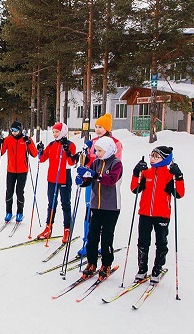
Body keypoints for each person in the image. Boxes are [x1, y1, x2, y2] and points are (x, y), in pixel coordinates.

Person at [130, 146, 184, 284]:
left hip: (162, 215)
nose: (152, 158)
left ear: (165, 159)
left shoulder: (168, 175)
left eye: (156, 156)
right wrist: (136, 172)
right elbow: (135, 189)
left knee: (161, 242)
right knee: (143, 242)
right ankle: (142, 269)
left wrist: (179, 176)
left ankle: (157, 269)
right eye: (151, 155)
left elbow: (179, 194)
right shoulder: (147, 173)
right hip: (145, 214)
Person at [76, 112, 124, 257]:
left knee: (104, 212)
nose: (97, 129)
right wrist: (84, 167)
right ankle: (88, 241)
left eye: (101, 127)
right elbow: (89, 162)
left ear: (107, 128)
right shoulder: (92, 142)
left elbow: (114, 164)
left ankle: (103, 244)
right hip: (93, 178)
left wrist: (96, 174)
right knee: (90, 208)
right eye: (96, 126)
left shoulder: (115, 143)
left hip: (106, 181)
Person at [74, 136, 122, 279]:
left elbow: (111, 180)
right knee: (92, 235)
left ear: (108, 150)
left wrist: (94, 175)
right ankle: (91, 262)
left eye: (100, 151)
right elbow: (89, 180)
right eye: (96, 150)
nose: (98, 153)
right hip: (96, 205)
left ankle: (106, 264)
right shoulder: (95, 163)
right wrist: (82, 180)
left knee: (106, 237)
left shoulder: (116, 164)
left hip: (111, 206)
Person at [35, 122, 77, 242]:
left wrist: (67, 151)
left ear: (63, 131)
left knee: (65, 204)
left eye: (57, 132)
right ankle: (48, 227)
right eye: (53, 132)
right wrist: (40, 150)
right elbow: (42, 159)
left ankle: (67, 229)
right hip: (52, 178)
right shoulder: (52, 144)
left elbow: (71, 163)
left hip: (64, 177)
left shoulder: (70, 145)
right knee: (51, 204)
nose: (55, 134)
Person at [0, 120, 37, 223]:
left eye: (15, 130)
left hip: (23, 170)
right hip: (11, 170)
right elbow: (0, 153)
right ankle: (8, 212)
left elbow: (34, 154)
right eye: (12, 130)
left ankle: (20, 212)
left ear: (20, 130)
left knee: (19, 192)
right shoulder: (8, 140)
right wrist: (0, 143)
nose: (13, 132)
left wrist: (29, 143)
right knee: (9, 191)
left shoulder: (26, 139)